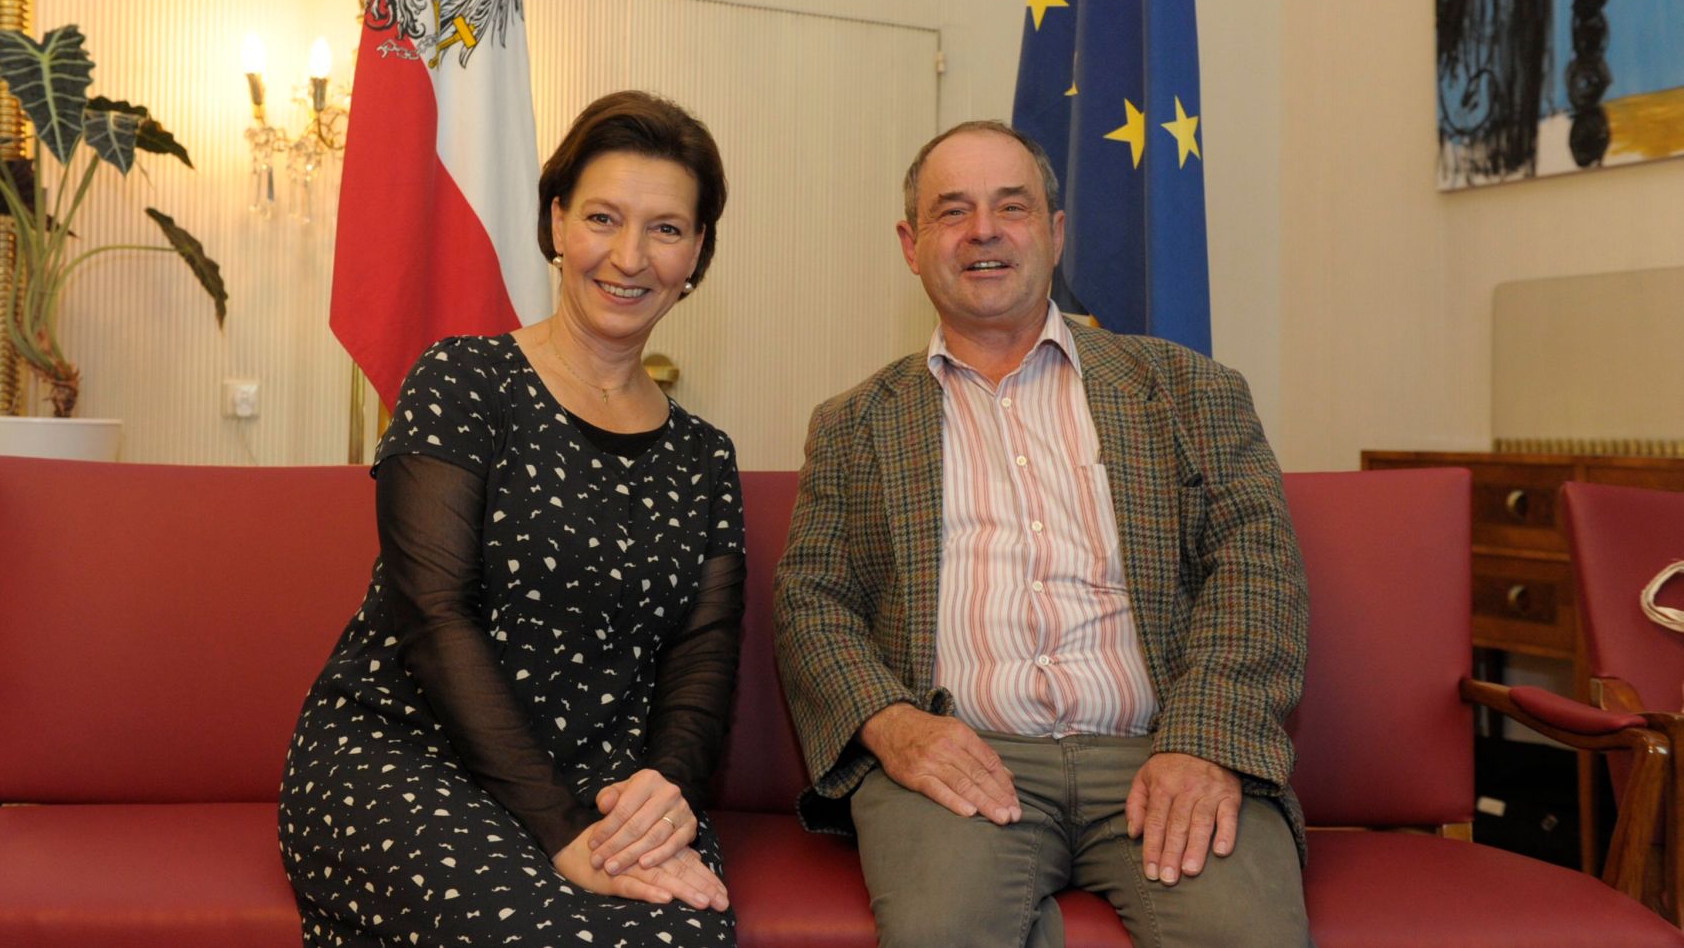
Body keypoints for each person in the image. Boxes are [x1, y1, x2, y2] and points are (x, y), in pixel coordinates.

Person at [773, 120, 1310, 948]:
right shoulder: (853, 425)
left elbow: (1256, 572)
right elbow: (811, 602)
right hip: (958, 766)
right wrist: (893, 723)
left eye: (1011, 206)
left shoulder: (1191, 392)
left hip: (1159, 748)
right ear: (912, 246)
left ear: (1055, 233)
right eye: (952, 212)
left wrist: (1204, 743)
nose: (983, 230)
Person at [280, 91, 744, 947]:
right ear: (558, 221)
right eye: (604, 217)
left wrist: (665, 789)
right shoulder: (464, 382)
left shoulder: (705, 458)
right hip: (406, 757)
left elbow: (703, 655)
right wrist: (561, 830)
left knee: (688, 934)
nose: (630, 256)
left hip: (604, 779)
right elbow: (432, 614)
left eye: (667, 229)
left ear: (697, 252)